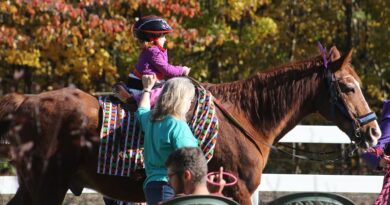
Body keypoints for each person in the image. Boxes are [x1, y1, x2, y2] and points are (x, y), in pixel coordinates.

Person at [137, 74, 198, 205]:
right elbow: (191, 160)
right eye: (190, 100)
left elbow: (141, 111)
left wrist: (147, 89)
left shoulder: (151, 119)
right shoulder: (178, 126)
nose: (190, 104)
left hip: (151, 187)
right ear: (182, 100)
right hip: (170, 188)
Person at [114, 15, 191, 107]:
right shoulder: (153, 52)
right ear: (153, 38)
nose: (165, 39)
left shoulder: (152, 50)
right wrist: (182, 70)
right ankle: (145, 110)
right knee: (169, 99)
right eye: (163, 36)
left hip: (145, 82)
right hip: (143, 86)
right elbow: (166, 69)